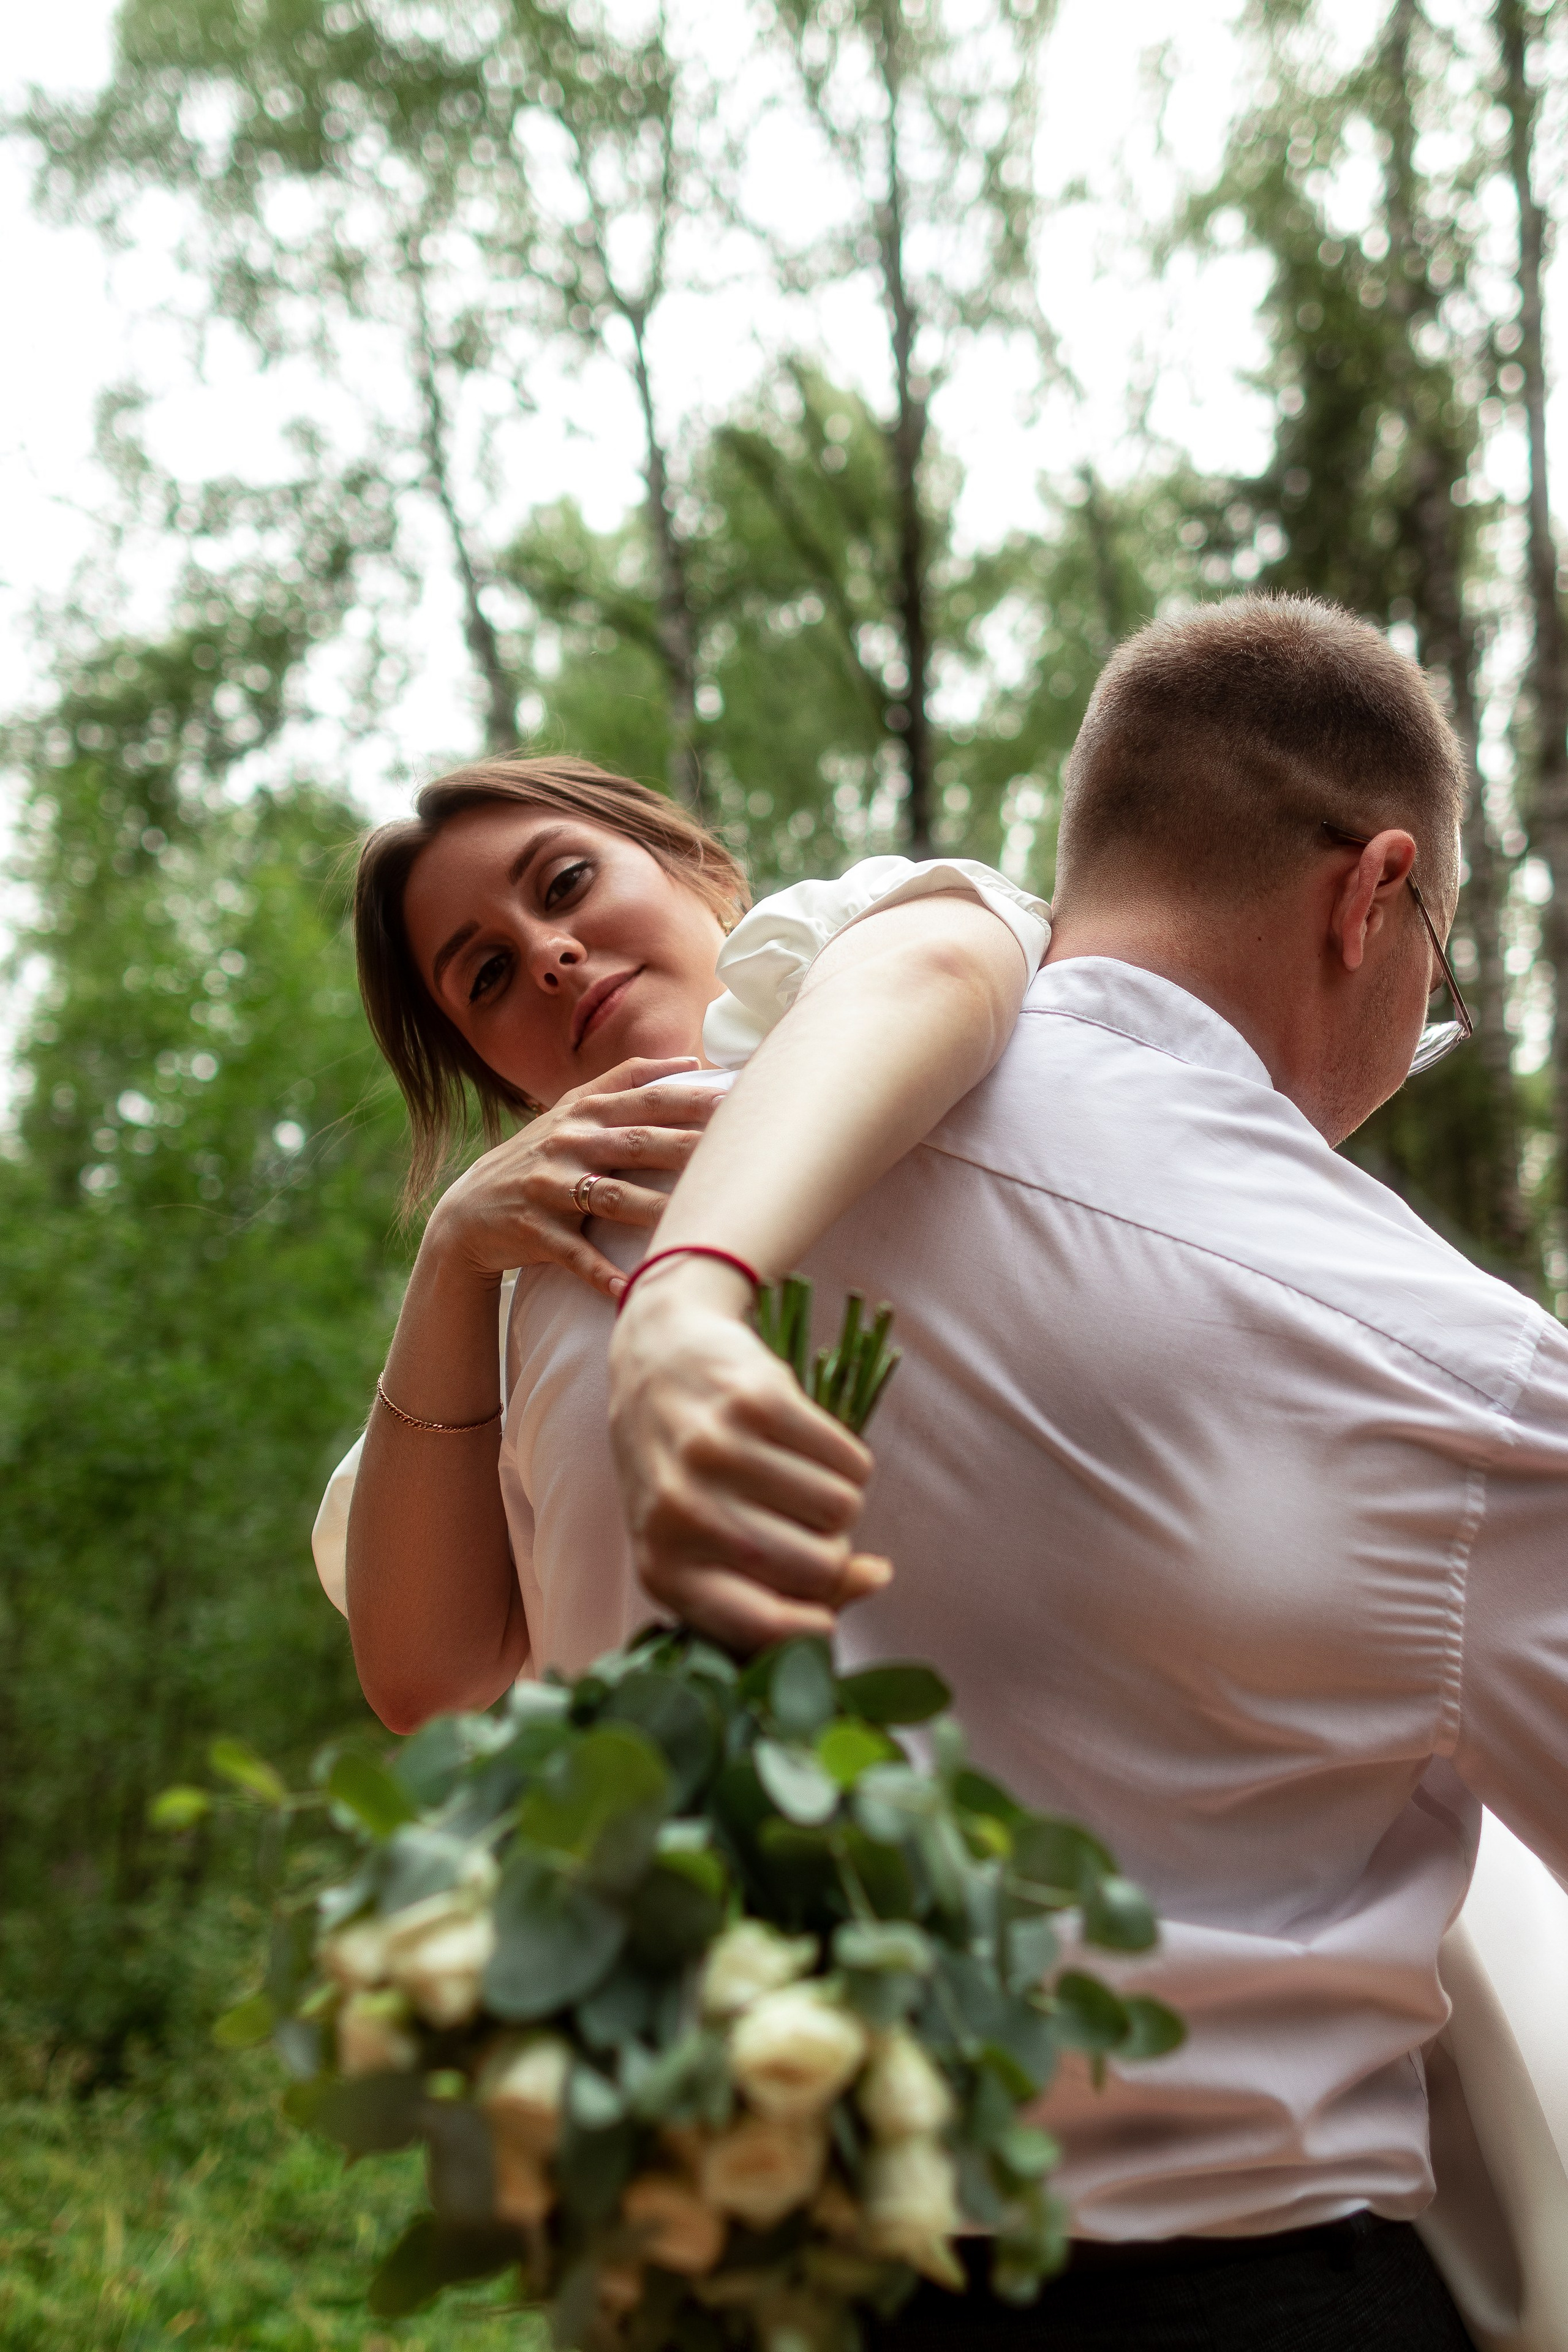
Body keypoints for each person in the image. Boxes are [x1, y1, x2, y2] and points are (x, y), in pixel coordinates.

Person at [603, 595, 1568, 2349]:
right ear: (1372, 897)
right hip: (1233, 2292)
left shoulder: (632, 1197)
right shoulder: (1445, 1356)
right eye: (1435, 970)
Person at [313, 753, 1047, 1723]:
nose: (549, 955)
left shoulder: (868, 933)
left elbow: (952, 964)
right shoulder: (500, 1332)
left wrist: (687, 1297)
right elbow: (427, 1682)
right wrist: (451, 1250)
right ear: (496, 1079)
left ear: (693, 863)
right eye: (488, 976)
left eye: (566, 883)